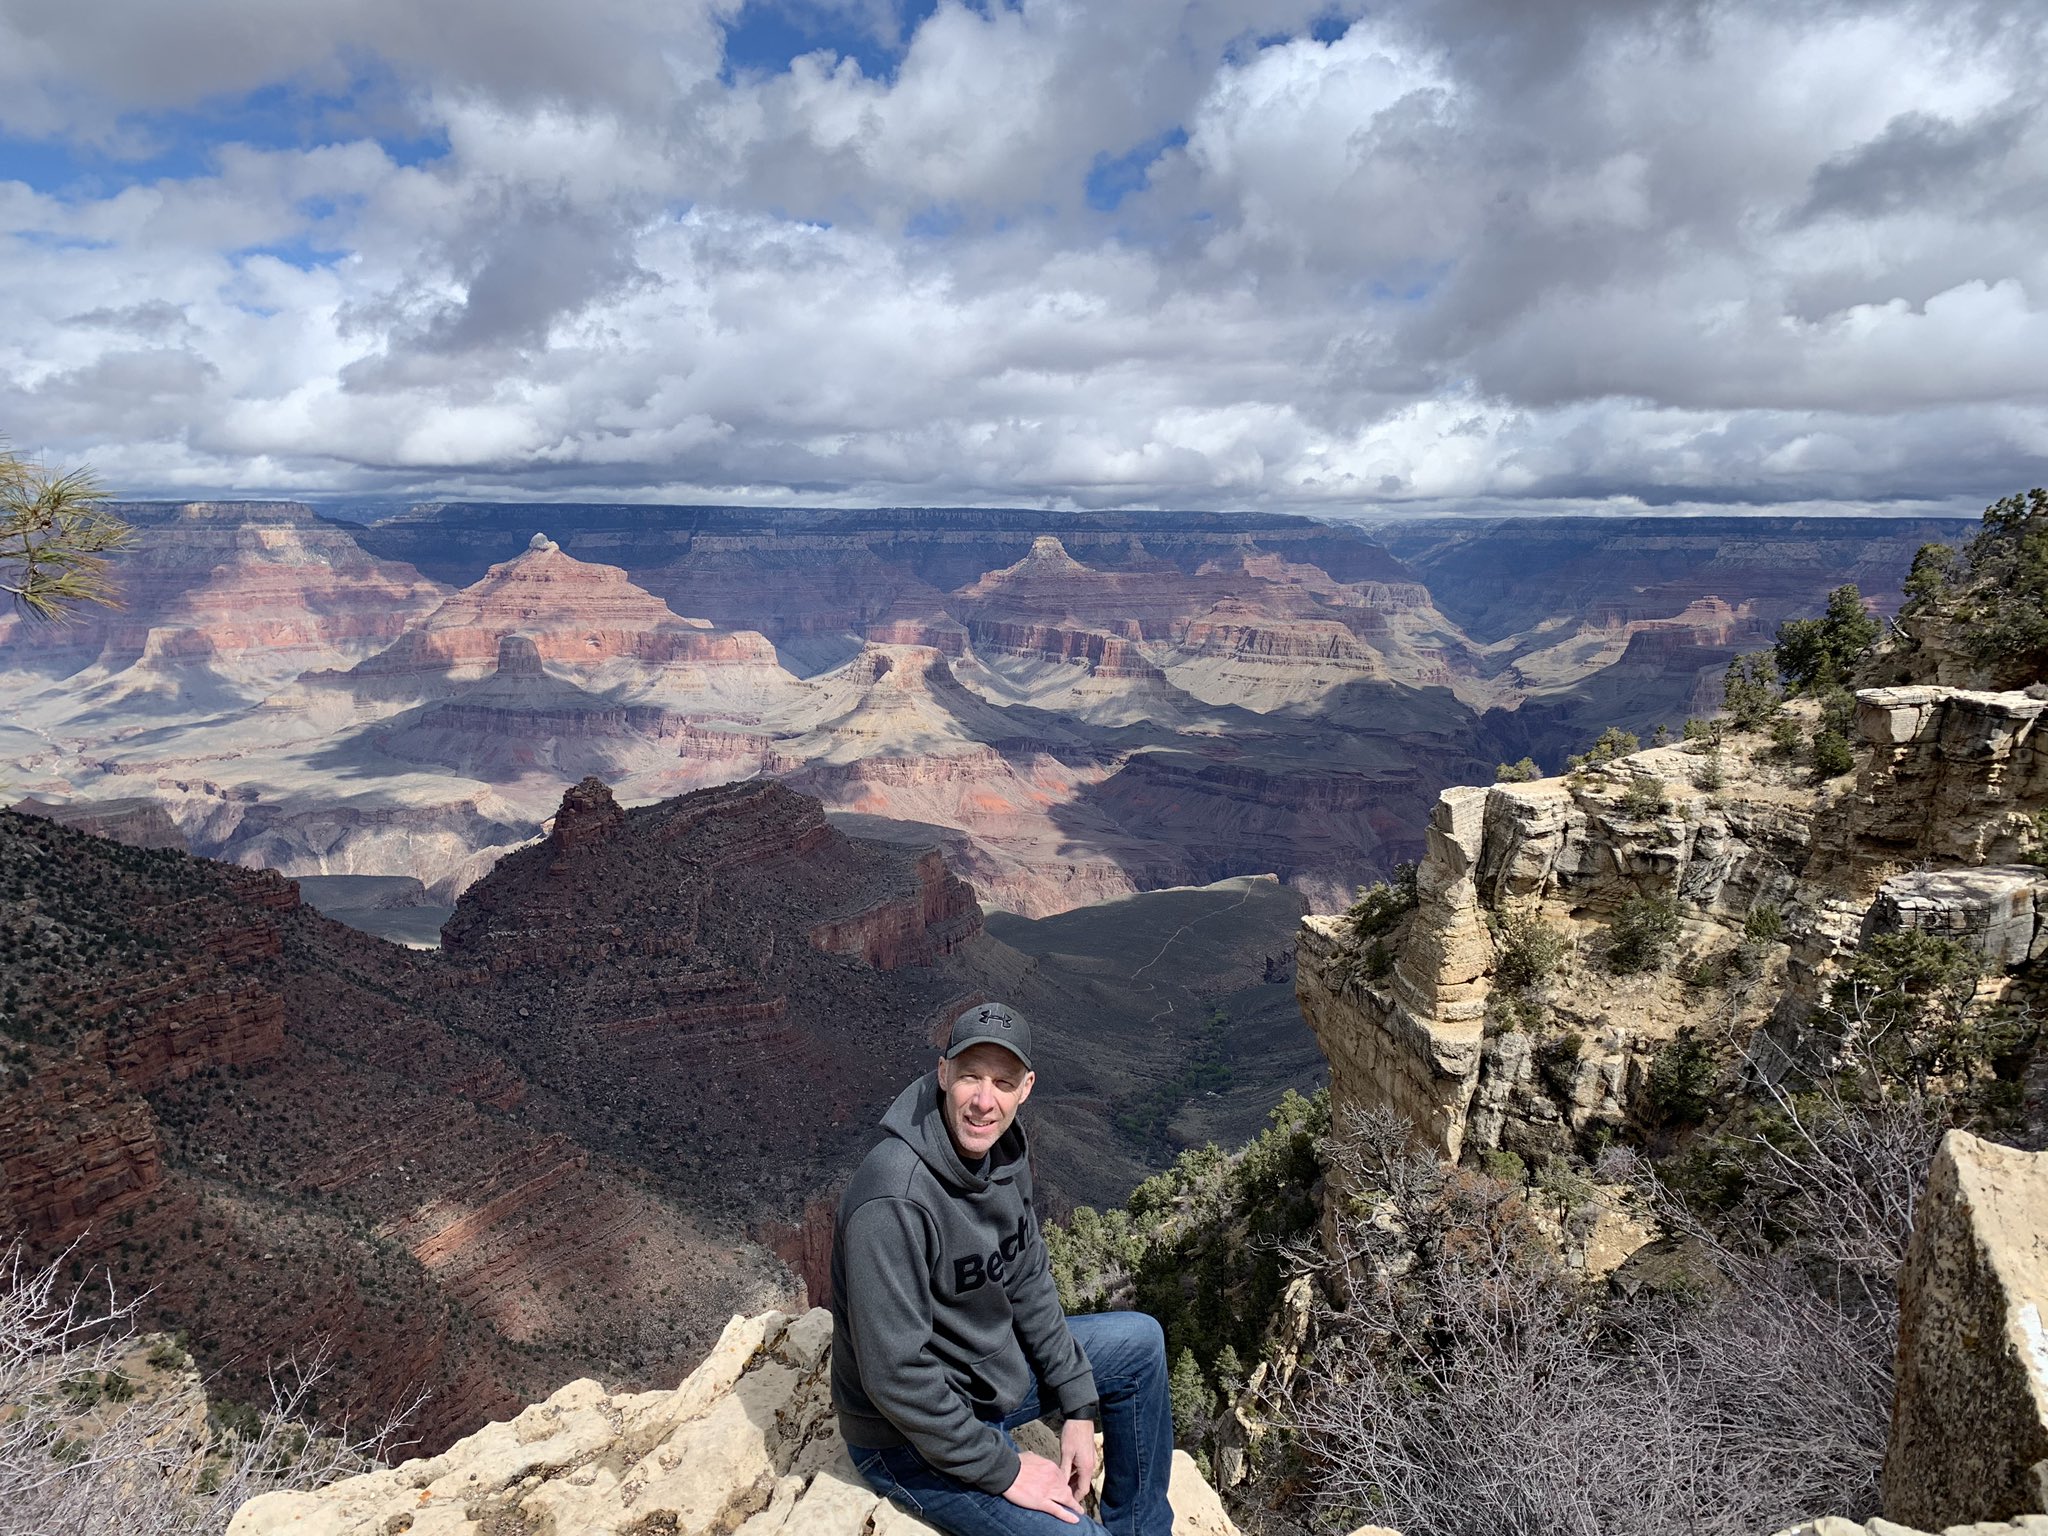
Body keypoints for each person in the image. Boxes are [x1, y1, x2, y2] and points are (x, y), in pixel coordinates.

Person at [831, 1001, 1176, 1536]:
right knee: (1074, 1531)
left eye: (1003, 1082)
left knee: (1141, 1342)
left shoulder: (1003, 1155)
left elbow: (1028, 1279)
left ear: (1027, 1087)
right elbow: (894, 1376)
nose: (983, 1101)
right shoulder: (894, 1196)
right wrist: (1007, 1468)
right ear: (943, 1073)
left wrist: (1078, 1402)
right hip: (904, 1438)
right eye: (970, 1076)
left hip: (984, 1377)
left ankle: (1141, 1528)